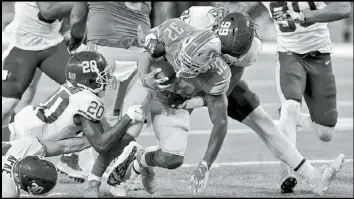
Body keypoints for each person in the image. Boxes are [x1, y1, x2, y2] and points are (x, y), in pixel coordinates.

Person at [111, 10, 346, 196]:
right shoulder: (195, 20)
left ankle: (312, 176)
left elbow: (223, 94)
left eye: (231, 57)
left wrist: (190, 103)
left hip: (205, 87)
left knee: (260, 119)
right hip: (173, 78)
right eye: (225, 53)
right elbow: (154, 46)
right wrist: (155, 79)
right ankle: (117, 165)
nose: (225, 59)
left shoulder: (241, 55)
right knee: (143, 128)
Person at [4, 51, 146, 190]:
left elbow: (89, 140)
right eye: (102, 74)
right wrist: (128, 117)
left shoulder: (76, 91)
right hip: (17, 143)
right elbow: (101, 144)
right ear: (89, 79)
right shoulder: (86, 100)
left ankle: (126, 163)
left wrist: (125, 140)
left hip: (21, 135)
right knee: (9, 191)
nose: (107, 78)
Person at [261, 2, 351, 193]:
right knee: (290, 106)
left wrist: (306, 16)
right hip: (289, 54)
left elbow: (343, 8)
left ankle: (295, 120)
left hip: (320, 55)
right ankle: (288, 171)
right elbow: (242, 6)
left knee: (325, 133)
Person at [67, 2, 154, 196]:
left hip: (105, 50)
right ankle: (111, 171)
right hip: (142, 52)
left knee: (105, 120)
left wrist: (75, 37)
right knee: (132, 118)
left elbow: (77, 17)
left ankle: (101, 175)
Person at [1, 2, 87, 179]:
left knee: (85, 88)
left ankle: (71, 158)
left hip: (51, 44)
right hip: (20, 44)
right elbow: (48, 11)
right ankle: (7, 153)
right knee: (6, 105)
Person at [2, 137, 88, 197]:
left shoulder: (22, 149)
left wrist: (91, 141)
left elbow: (63, 146)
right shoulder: (8, 192)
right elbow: (63, 146)